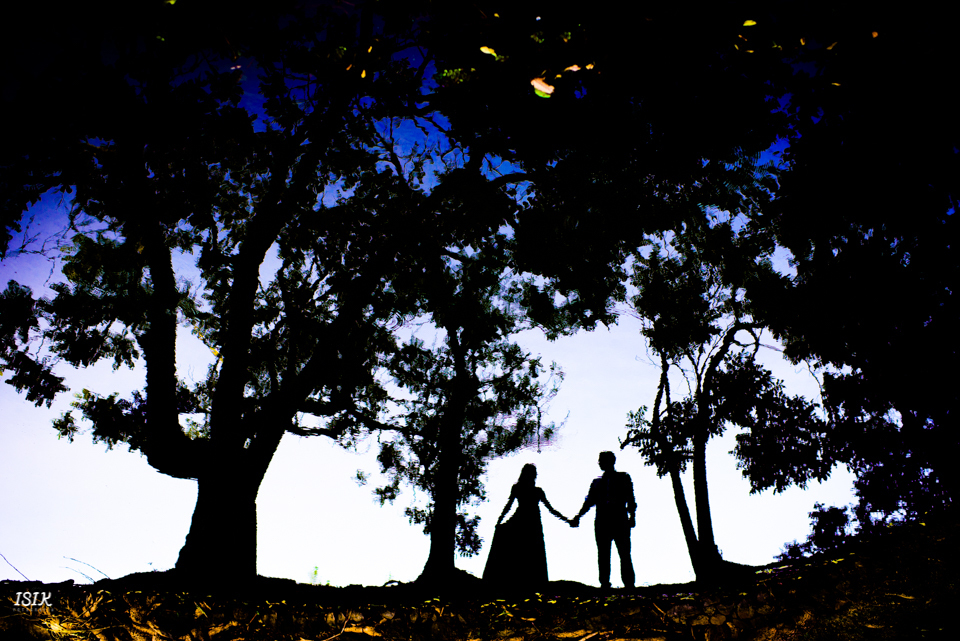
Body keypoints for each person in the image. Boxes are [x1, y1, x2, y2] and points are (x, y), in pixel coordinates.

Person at [483, 463, 569, 590]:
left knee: (528, 548)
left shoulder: (534, 491)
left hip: (530, 522)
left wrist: (566, 519)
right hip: (524, 520)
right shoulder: (524, 489)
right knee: (520, 546)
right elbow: (509, 505)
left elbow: (551, 509)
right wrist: (500, 519)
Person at [569, 451, 636, 589]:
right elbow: (589, 501)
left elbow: (630, 498)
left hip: (618, 519)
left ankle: (628, 583)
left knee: (623, 552)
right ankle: (606, 583)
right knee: (604, 553)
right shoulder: (597, 482)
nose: (599, 463)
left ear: (610, 462)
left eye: (601, 461)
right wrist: (578, 516)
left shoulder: (623, 478)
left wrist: (632, 515)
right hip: (604, 521)